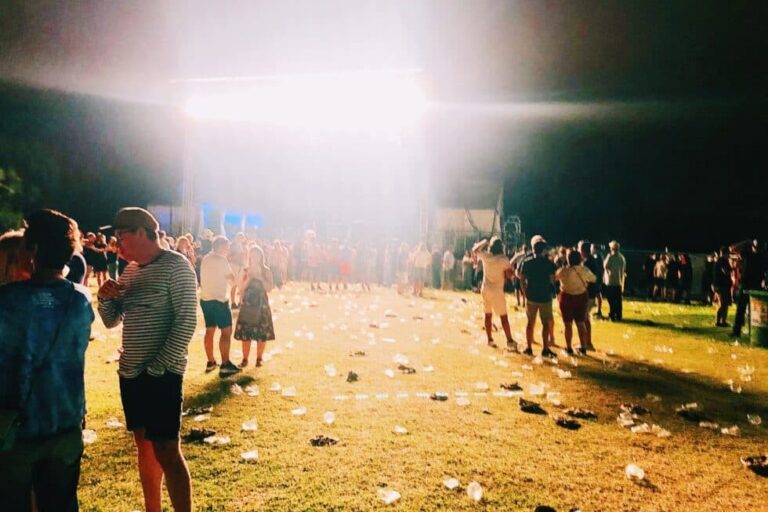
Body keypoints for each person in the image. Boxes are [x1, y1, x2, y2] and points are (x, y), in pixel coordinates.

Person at [97, 207, 197, 512]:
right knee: (144, 445)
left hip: (162, 374)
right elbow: (112, 321)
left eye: (120, 236)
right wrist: (105, 298)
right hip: (131, 374)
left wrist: (157, 368)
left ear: (142, 232)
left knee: (167, 449)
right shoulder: (130, 271)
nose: (117, 244)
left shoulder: (177, 266)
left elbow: (186, 322)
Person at [0, 209, 94, 512]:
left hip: (16, 429)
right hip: (66, 421)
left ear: (35, 249)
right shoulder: (81, 299)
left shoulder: (7, 300)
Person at [199, 235, 240, 377]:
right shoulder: (221, 260)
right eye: (227, 247)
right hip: (219, 300)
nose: (228, 250)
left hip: (206, 299)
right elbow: (232, 281)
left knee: (210, 330)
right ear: (221, 247)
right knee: (226, 331)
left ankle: (210, 361)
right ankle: (225, 364)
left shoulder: (206, 258)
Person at [472, 237, 517, 350]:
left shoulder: (486, 256)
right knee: (503, 317)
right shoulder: (503, 259)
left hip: (485, 288)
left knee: (487, 315)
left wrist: (484, 241)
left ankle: (490, 339)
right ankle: (509, 340)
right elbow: (509, 274)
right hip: (497, 290)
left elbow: (475, 250)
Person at [234, 244, 275, 368]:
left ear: (261, 256)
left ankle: (259, 358)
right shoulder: (245, 270)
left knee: (262, 332)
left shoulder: (266, 270)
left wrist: (260, 277)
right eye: (252, 255)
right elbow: (240, 288)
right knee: (246, 332)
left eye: (257, 254)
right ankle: (245, 359)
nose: (255, 257)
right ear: (249, 256)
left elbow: (269, 288)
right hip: (248, 303)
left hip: (262, 303)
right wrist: (249, 278)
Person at [520, 237, 557, 357]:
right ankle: (545, 348)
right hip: (545, 296)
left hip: (531, 295)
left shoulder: (527, 262)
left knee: (530, 322)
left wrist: (524, 292)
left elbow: (522, 278)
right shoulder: (549, 263)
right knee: (545, 323)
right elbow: (552, 279)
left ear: (533, 249)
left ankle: (529, 347)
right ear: (544, 250)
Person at [555, 250, 596, 355]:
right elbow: (594, 279)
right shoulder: (584, 270)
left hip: (566, 298)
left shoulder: (563, 271)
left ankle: (569, 347)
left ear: (568, 259)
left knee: (567, 324)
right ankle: (583, 347)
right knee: (581, 323)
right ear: (579, 259)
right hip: (581, 297)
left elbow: (554, 278)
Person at [730, 239, 766, 337]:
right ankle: (752, 332)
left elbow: (732, 249)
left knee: (742, 309)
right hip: (755, 285)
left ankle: (737, 331)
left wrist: (746, 242)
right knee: (754, 311)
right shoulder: (762, 257)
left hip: (747, 284)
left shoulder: (748, 254)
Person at [578, 241, 600, 350]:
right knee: (584, 317)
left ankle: (588, 343)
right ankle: (586, 342)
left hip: (588, 293)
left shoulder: (587, 263)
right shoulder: (591, 261)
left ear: (582, 250)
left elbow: (588, 279)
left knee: (584, 318)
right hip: (591, 292)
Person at [603, 240, 626, 321]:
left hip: (611, 281)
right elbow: (624, 269)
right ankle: (619, 315)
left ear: (612, 248)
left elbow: (605, 265)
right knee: (618, 300)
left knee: (611, 299)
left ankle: (612, 314)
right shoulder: (622, 257)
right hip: (619, 281)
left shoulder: (610, 256)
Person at [712, 246, 732, 327]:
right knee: (723, 304)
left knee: (725, 304)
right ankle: (718, 321)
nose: (729, 255)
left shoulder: (721, 261)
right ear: (725, 253)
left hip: (723, 285)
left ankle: (723, 321)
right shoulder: (721, 261)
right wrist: (732, 269)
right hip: (721, 285)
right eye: (728, 253)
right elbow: (725, 272)